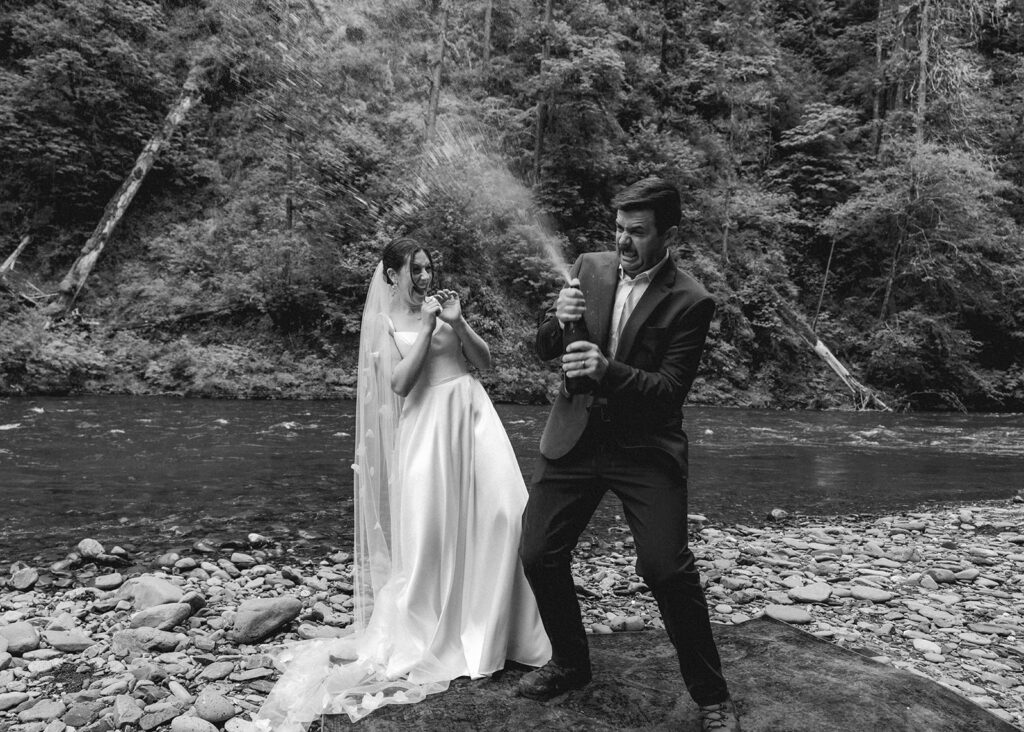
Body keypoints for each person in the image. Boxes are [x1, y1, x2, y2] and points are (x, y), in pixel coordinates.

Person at [254, 237, 550, 731]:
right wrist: (428, 326)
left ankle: (502, 630)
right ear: (393, 275)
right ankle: (436, 629)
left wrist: (457, 321)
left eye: (429, 267)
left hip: (473, 418)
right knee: (432, 534)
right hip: (427, 431)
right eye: (416, 269)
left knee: (505, 514)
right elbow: (399, 384)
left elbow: (484, 362)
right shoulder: (386, 322)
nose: (426, 277)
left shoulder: (445, 310)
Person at [517, 178, 741, 732]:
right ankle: (571, 663)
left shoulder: (691, 300)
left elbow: (669, 390)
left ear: (668, 235)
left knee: (666, 569)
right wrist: (556, 318)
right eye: (618, 228)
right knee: (538, 552)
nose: (622, 241)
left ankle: (712, 696)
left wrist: (607, 370)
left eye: (637, 232)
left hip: (645, 448)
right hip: (575, 437)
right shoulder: (589, 268)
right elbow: (545, 347)